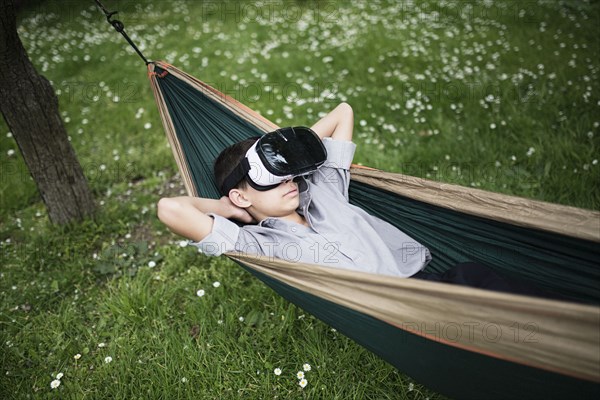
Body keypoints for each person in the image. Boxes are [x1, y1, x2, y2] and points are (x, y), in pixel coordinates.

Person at [156, 103, 557, 298]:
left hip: (435, 284)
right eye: (272, 180)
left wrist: (285, 152)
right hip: (392, 313)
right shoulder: (259, 245)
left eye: (290, 174)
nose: (290, 182)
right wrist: (228, 208)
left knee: (483, 280)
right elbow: (170, 209)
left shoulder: (323, 188)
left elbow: (341, 112)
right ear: (240, 194)